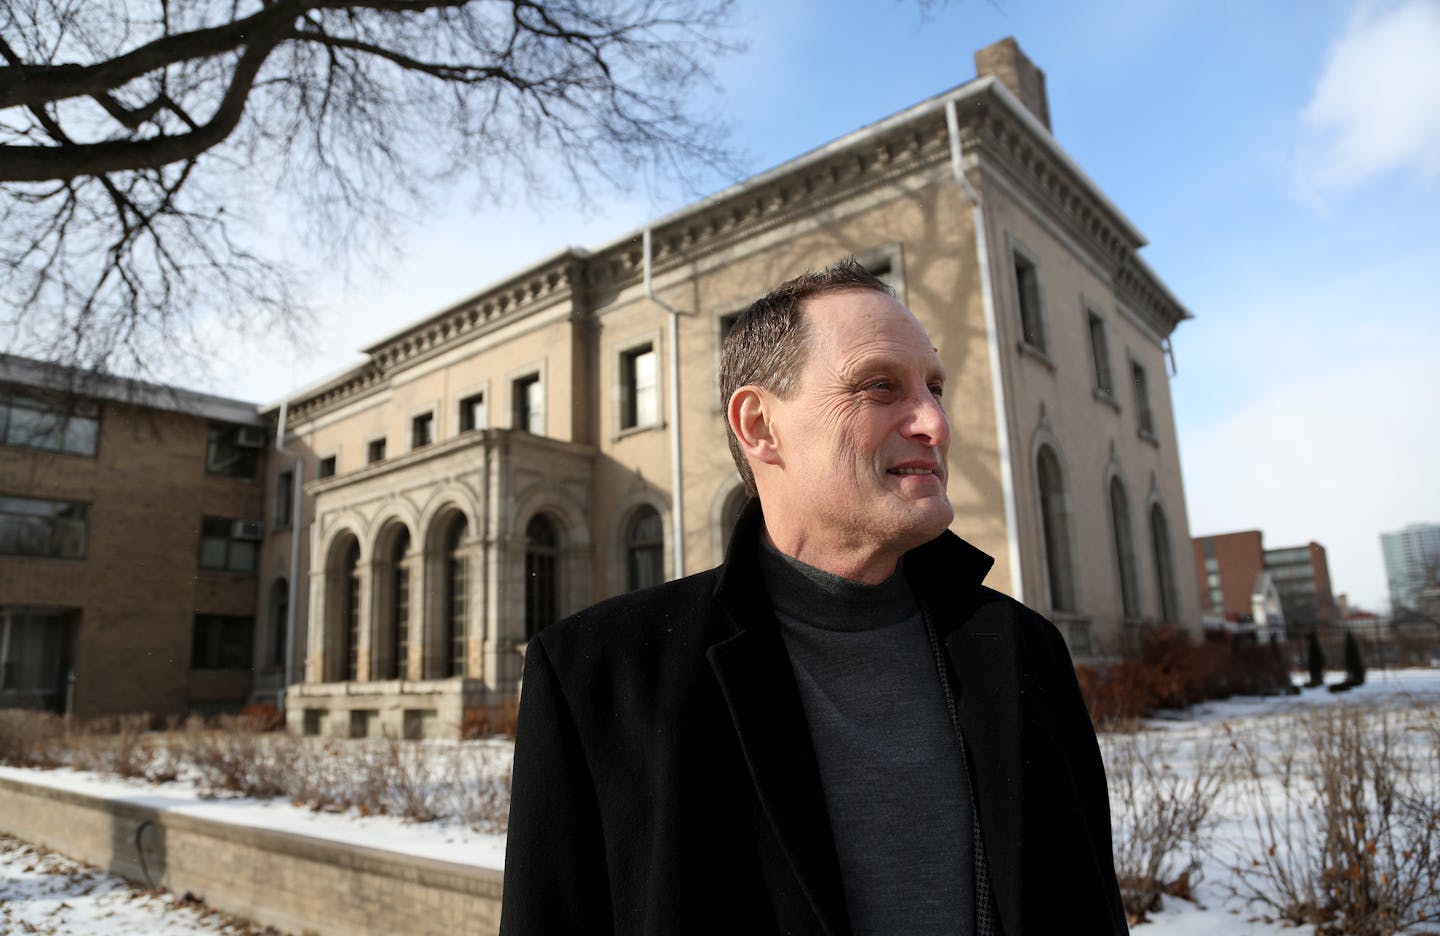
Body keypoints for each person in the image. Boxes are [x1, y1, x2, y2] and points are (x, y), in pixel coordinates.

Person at [500, 259, 1128, 936]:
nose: (936, 425)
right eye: (880, 386)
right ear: (760, 425)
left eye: (935, 388)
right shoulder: (601, 676)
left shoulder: (1025, 653)